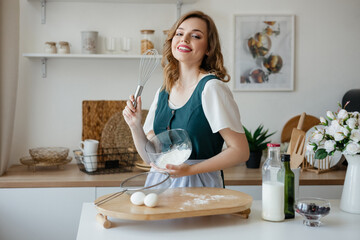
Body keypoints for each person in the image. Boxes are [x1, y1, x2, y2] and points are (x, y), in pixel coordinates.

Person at [122, 10, 249, 188]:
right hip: (159, 185)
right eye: (179, 33)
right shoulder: (163, 91)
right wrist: (135, 125)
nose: (184, 39)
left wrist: (190, 170)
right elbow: (152, 157)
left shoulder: (211, 88)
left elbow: (240, 152)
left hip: (199, 187)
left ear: (209, 48)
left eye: (195, 36)